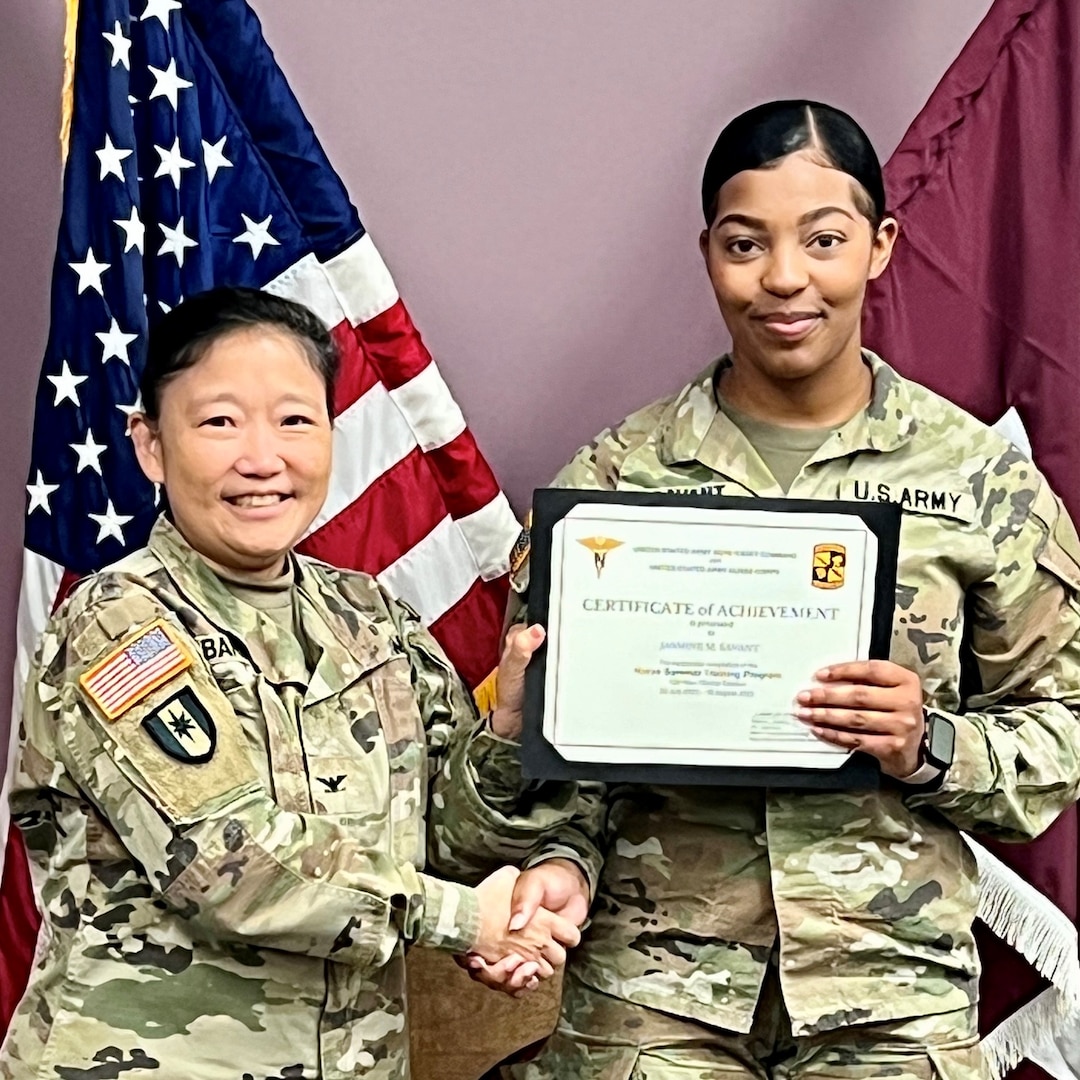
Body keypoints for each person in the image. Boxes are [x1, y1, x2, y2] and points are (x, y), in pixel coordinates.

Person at [469, 101, 1080, 1079]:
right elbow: (554, 773)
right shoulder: (614, 484)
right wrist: (558, 864)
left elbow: (1067, 721)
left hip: (890, 992)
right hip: (653, 996)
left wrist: (932, 744)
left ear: (879, 247)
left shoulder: (979, 482)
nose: (785, 277)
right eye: (746, 244)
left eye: (824, 240)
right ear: (708, 252)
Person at [0, 287, 582, 1080]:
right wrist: (464, 920)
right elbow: (229, 867)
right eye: (219, 422)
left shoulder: (371, 617)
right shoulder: (119, 624)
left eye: (294, 420)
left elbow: (445, 837)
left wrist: (508, 737)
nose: (262, 457)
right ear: (150, 447)